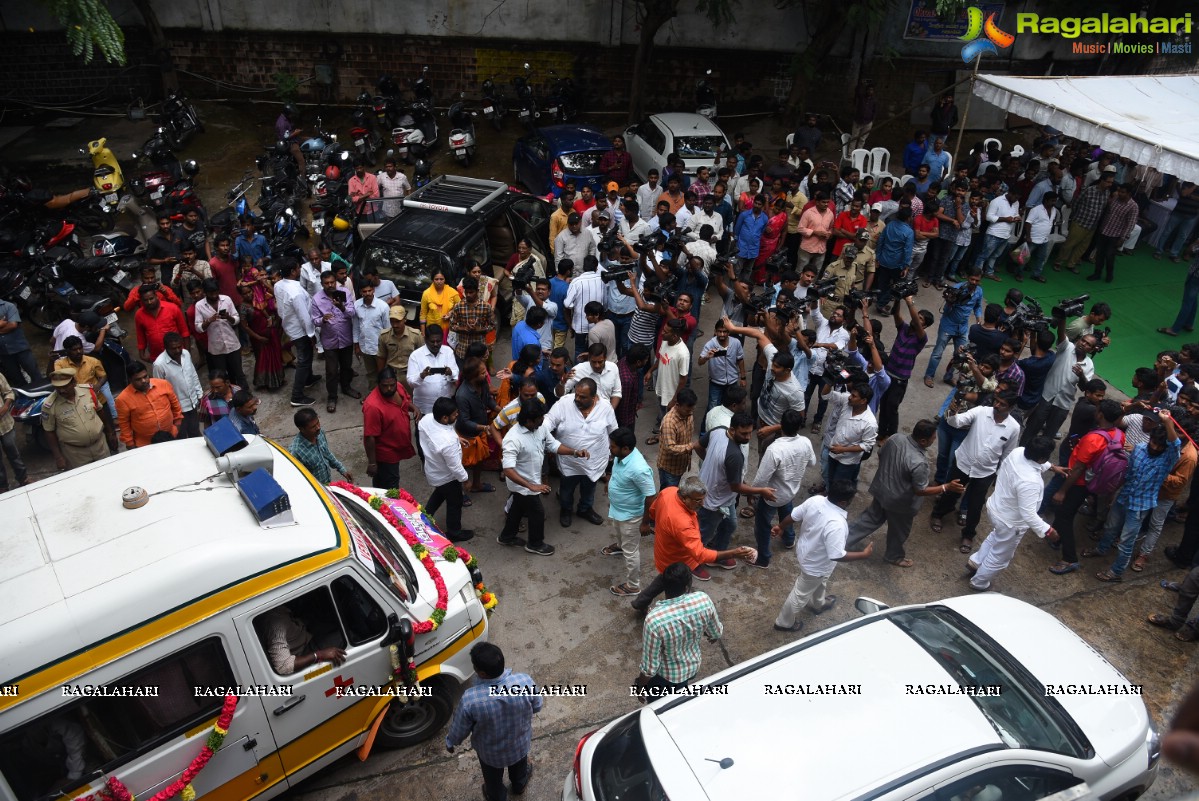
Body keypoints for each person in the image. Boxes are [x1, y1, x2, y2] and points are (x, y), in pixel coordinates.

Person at [845, 419, 963, 568]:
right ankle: (893, 556)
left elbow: (881, 454)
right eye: (933, 438)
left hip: (882, 490)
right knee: (899, 531)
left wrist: (889, 473)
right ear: (923, 440)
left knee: (869, 518)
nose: (934, 440)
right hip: (900, 504)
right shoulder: (919, 462)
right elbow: (920, 490)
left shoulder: (895, 438)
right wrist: (946, 487)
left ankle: (842, 541)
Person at [1086, 409, 1181, 581]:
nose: (1154, 447)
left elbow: (1175, 444)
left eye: (1159, 445)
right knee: (1109, 527)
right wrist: (1114, 493)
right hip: (1123, 497)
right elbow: (1128, 473)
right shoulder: (1139, 449)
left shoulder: (1168, 458)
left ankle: (1116, 572)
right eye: (1153, 442)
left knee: (1125, 541)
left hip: (1140, 506)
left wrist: (1167, 421)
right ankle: (1102, 549)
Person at [632, 476, 753, 608]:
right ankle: (670, 614)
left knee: (664, 578)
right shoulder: (683, 523)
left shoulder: (669, 492)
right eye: (698, 500)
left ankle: (641, 602)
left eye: (703, 499)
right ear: (684, 498)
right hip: (677, 561)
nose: (702, 504)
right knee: (676, 592)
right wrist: (734, 553)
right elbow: (700, 554)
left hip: (664, 551)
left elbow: (653, 512)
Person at [445, 643, 540, 801]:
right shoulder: (525, 681)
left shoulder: (471, 699)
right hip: (519, 745)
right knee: (520, 768)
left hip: (491, 755)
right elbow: (537, 706)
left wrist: (450, 742)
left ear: (481, 673)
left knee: (492, 780)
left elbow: (460, 729)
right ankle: (519, 785)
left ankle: (497, 796)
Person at [773, 480, 872, 633]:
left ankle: (817, 604)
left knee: (821, 580)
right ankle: (783, 622)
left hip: (808, 554)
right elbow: (837, 555)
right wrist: (863, 554)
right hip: (815, 565)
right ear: (843, 502)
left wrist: (780, 526)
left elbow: (793, 516)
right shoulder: (836, 524)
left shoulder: (815, 500)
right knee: (799, 595)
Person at [930, 390, 1022, 553]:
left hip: (985, 472)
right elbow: (955, 422)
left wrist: (999, 475)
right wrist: (953, 410)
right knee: (950, 492)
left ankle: (968, 534)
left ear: (1011, 407)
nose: (996, 405)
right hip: (963, 462)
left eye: (1002, 404)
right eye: (996, 401)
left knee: (975, 504)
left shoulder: (1013, 428)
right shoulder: (980, 411)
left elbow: (1007, 454)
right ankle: (938, 514)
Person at [967, 436, 1060, 591]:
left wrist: (1052, 467)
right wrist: (1048, 530)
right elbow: (1028, 514)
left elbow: (1033, 463)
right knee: (1000, 556)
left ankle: (976, 561)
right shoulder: (1030, 482)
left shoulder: (1018, 452)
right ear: (1042, 457)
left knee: (996, 536)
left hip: (996, 508)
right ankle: (979, 582)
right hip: (1010, 522)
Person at [498, 399, 586, 556]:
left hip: (532, 481)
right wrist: (530, 486)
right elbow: (508, 469)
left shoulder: (540, 428)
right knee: (537, 513)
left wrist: (575, 452)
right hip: (523, 484)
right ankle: (535, 543)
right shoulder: (512, 439)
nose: (543, 422)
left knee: (517, 508)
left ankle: (506, 537)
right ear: (529, 420)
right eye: (539, 420)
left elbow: (553, 445)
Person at [1047, 399, 1125, 575]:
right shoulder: (1119, 435)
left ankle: (1069, 559)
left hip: (1079, 482)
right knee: (1068, 510)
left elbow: (1078, 469)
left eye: (1097, 410)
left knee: (1064, 513)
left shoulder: (1093, 439)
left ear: (1100, 415)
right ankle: (1055, 537)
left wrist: (1062, 491)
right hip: (1095, 481)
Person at [635, 561, 723, 697]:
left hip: (666, 676)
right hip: (692, 666)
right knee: (679, 693)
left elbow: (650, 668)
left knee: (660, 705)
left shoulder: (655, 620)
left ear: (664, 585)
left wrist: (640, 686)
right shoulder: (703, 600)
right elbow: (716, 633)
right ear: (688, 586)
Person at [697, 411, 772, 570]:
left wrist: (710, 464)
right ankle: (692, 564)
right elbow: (736, 487)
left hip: (722, 498)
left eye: (750, 433)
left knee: (730, 525)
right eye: (743, 433)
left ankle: (718, 555)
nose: (748, 437)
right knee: (702, 535)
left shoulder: (718, 430)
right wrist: (761, 491)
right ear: (732, 430)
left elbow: (698, 446)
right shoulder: (735, 455)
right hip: (713, 503)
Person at [749, 410, 816, 568]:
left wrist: (752, 492)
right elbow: (812, 462)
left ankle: (763, 558)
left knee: (763, 526)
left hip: (771, 496)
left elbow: (761, 479)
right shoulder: (805, 442)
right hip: (790, 491)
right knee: (787, 515)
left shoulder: (775, 449)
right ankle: (789, 539)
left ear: (781, 425)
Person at [546, 377, 617, 527]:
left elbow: (613, 432)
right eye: (576, 394)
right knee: (566, 489)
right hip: (569, 462)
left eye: (582, 397)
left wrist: (615, 458)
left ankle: (585, 509)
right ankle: (566, 509)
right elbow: (548, 421)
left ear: (594, 397)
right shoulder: (564, 403)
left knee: (589, 487)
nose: (577, 399)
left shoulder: (605, 408)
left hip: (594, 462)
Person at [1019, 324, 1100, 447]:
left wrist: (1081, 375)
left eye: (1088, 344)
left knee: (1049, 435)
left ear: (1092, 349)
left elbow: (1085, 388)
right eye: (1083, 340)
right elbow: (1061, 332)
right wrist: (1062, 317)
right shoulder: (1067, 347)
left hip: (1063, 404)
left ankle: (1038, 459)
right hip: (1046, 396)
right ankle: (1021, 450)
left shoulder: (1089, 364)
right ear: (1079, 340)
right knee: (1032, 428)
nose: (1083, 344)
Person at [601, 427, 657, 596]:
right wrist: (610, 483)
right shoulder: (622, 455)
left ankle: (633, 585)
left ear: (625, 448)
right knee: (618, 531)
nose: (610, 448)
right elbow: (617, 471)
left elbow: (651, 496)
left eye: (613, 446)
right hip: (619, 509)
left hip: (632, 516)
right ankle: (619, 546)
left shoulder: (639, 469)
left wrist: (645, 522)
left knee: (631, 551)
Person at [418, 396, 474, 543]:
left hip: (434, 471)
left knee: (440, 493)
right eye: (454, 414)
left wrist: (457, 438)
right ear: (444, 418)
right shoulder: (447, 442)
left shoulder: (427, 420)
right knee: (455, 502)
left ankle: (424, 515)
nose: (457, 415)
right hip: (447, 476)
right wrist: (466, 479)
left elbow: (444, 432)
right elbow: (455, 466)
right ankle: (454, 532)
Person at [42, 367, 117, 470]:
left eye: (65, 386)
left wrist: (110, 433)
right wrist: (58, 457)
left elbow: (100, 411)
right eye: (58, 387)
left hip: (100, 446)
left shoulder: (88, 392)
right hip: (75, 454)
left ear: (74, 382)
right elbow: (49, 431)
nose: (61, 390)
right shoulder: (49, 405)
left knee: (109, 472)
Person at [923, 267, 984, 387]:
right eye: (972, 279)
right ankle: (929, 376)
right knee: (938, 353)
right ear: (967, 278)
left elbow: (977, 306)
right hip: (948, 325)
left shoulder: (979, 291)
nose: (974, 282)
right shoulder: (956, 289)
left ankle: (948, 377)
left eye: (977, 280)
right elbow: (946, 310)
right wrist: (951, 302)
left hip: (962, 328)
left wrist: (978, 318)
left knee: (959, 356)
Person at [311, 269, 359, 413]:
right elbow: (314, 320)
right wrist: (322, 319)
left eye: (332, 282)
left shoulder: (344, 292)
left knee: (346, 366)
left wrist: (341, 307)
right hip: (329, 341)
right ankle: (332, 396)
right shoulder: (317, 299)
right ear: (322, 284)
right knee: (331, 371)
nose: (330, 285)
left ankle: (346, 387)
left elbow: (352, 313)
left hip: (346, 339)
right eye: (327, 283)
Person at [363, 368, 415, 490]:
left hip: (397, 446)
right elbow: (370, 437)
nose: (389, 389)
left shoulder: (398, 387)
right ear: (378, 384)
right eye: (385, 386)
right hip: (386, 453)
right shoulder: (372, 406)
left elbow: (405, 401)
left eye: (392, 385)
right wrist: (372, 462)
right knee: (391, 485)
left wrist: (414, 408)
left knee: (382, 482)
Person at [259, 605, 346, 676]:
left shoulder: (280, 611)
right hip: (304, 651)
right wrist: (319, 654)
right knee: (345, 637)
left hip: (305, 634)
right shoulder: (276, 625)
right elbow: (283, 666)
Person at [456, 357, 499, 495]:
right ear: (472, 377)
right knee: (463, 465)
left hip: (480, 431)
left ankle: (476, 484)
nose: (486, 374)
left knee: (479, 460)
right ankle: (460, 494)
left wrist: (501, 410)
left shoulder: (482, 383)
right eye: (482, 372)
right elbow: (464, 421)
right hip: (467, 435)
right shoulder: (462, 395)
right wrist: (484, 428)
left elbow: (488, 401)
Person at [116, 361, 182, 448]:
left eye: (145, 376)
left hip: (170, 436)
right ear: (130, 379)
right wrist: (130, 445)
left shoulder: (163, 384)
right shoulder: (122, 399)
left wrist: (176, 427)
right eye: (138, 379)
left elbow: (176, 407)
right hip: (145, 445)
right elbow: (124, 425)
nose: (144, 381)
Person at [193, 278, 246, 387]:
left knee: (238, 373)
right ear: (205, 292)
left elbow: (237, 318)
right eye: (211, 293)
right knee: (222, 375)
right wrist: (209, 321)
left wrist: (228, 317)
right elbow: (198, 327)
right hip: (216, 348)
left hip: (232, 344)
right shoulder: (199, 305)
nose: (214, 295)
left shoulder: (226, 299)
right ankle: (229, 396)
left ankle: (245, 394)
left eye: (216, 292)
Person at [151, 332, 203, 439]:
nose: (178, 350)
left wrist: (199, 393)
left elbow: (192, 374)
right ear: (166, 348)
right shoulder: (159, 365)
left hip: (193, 404)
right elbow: (158, 390)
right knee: (180, 437)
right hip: (176, 410)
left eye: (179, 347)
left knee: (195, 433)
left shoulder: (186, 354)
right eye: (174, 348)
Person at [697, 318, 746, 427]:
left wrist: (743, 378)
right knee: (712, 409)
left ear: (729, 332)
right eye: (719, 331)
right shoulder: (710, 344)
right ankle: (705, 434)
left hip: (732, 382)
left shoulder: (736, 343)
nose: (722, 334)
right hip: (716, 383)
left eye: (725, 331)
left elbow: (740, 360)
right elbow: (699, 362)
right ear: (715, 331)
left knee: (733, 409)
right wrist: (706, 357)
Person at [237, 281, 285, 391]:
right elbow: (245, 326)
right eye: (245, 293)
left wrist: (272, 322)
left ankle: (277, 380)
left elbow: (269, 313)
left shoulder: (258, 301)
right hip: (258, 337)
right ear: (241, 295)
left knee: (275, 356)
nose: (248, 294)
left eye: (249, 291)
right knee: (263, 359)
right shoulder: (243, 307)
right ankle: (265, 382)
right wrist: (258, 338)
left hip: (270, 333)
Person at [1089, 183, 1140, 283]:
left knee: (1109, 256)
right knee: (1100, 254)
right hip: (1104, 231)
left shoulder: (1133, 206)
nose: (1120, 193)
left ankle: (1109, 274)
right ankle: (1097, 273)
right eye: (1119, 191)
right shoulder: (1115, 199)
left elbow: (1131, 224)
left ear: (1129, 194)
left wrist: (1122, 238)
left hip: (1116, 235)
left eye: (1123, 192)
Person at [289, 407, 353, 485]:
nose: (318, 427)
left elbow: (327, 453)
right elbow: (298, 479)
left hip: (327, 484)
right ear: (302, 429)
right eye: (313, 427)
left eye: (318, 423)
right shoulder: (296, 452)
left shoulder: (320, 433)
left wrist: (342, 470)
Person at [55, 335, 113, 418]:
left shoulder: (93, 361)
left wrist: (98, 386)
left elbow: (103, 376)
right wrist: (51, 361)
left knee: (108, 426)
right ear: (67, 351)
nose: (79, 351)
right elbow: (55, 377)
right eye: (74, 350)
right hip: (77, 404)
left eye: (80, 348)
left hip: (97, 400)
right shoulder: (60, 364)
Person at [646, 319, 690, 429]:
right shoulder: (665, 341)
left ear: (674, 336)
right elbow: (661, 359)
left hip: (672, 394)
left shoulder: (683, 353)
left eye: (666, 332)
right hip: (661, 387)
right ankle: (660, 421)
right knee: (661, 407)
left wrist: (674, 399)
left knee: (671, 420)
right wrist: (650, 371)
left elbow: (683, 379)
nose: (662, 333)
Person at [407, 324, 459, 417]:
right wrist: (421, 376)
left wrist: (450, 373)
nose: (435, 344)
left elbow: (456, 375)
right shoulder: (415, 356)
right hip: (424, 407)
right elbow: (411, 382)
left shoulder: (448, 352)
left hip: (445, 406)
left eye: (438, 341)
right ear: (425, 340)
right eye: (432, 341)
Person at [654, 387, 698, 488]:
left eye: (692, 409)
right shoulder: (669, 422)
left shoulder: (688, 414)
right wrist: (690, 446)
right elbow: (670, 447)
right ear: (677, 405)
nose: (690, 412)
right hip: (669, 468)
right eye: (688, 409)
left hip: (681, 464)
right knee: (668, 495)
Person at [352, 281, 390, 390]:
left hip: (380, 347)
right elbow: (355, 326)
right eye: (365, 291)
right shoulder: (357, 305)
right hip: (365, 347)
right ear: (360, 292)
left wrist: (387, 348)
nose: (368, 293)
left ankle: (384, 395)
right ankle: (373, 396)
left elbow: (388, 329)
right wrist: (356, 345)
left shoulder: (383, 307)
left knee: (382, 372)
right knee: (370, 373)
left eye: (370, 290)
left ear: (373, 290)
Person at [135, 288, 189, 363]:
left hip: (176, 353)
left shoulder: (172, 308)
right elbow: (140, 335)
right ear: (141, 300)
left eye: (151, 298)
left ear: (156, 296)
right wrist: (142, 354)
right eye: (146, 300)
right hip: (156, 356)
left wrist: (187, 351)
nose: (149, 302)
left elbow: (184, 331)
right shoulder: (139, 315)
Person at [376, 307, 424, 391]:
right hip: (391, 376)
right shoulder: (384, 336)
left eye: (398, 321)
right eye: (392, 321)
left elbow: (422, 357)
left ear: (405, 319)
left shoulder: (416, 336)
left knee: (408, 400)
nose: (394, 325)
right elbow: (381, 357)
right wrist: (380, 377)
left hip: (409, 375)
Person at [0, 298, 44, 388]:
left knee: (34, 373)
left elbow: (12, 325)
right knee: (16, 378)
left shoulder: (9, 306)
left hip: (20, 348)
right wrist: (3, 323)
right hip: (4, 353)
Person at [564, 343, 621, 409]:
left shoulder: (613, 368)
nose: (597, 365)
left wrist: (610, 411)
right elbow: (561, 392)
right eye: (593, 362)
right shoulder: (578, 370)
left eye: (600, 362)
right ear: (589, 359)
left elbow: (616, 393)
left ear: (605, 358)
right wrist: (561, 383)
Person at [0, 372, 29, 489]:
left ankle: (23, 479)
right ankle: (2, 486)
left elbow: (8, 392)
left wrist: (5, 407)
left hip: (5, 424)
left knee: (14, 454)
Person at [419, 269, 460, 338]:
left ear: (445, 280)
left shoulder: (452, 292)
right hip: (432, 330)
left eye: (441, 279)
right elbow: (423, 314)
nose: (439, 282)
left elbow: (461, 307)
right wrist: (423, 333)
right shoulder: (426, 293)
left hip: (449, 330)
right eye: (436, 279)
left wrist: (450, 314)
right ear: (432, 280)